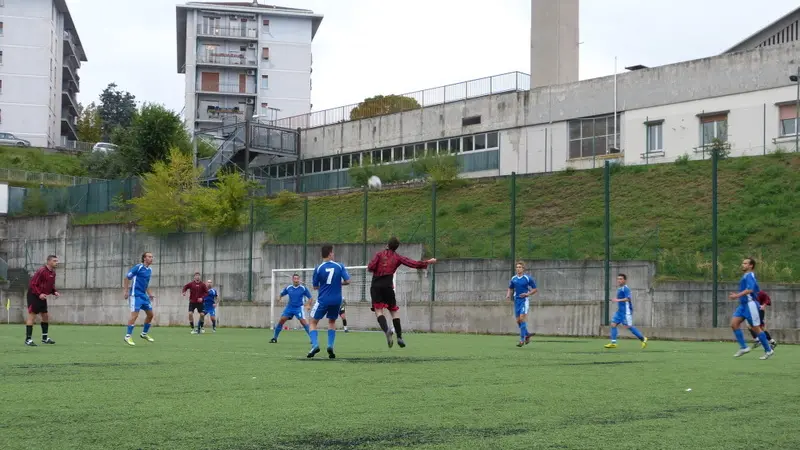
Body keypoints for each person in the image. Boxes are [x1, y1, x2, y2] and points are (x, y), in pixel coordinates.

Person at [367, 237, 436, 348]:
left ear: (387, 245)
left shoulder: (379, 255)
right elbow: (412, 263)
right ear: (396, 247)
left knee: (378, 310)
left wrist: (375, 269)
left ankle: (386, 331)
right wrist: (428, 262)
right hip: (388, 286)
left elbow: (370, 267)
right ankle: (399, 336)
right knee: (394, 311)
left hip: (376, 286)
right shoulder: (397, 257)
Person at [307, 244, 350, 359]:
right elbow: (348, 280)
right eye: (333, 252)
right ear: (330, 253)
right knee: (331, 322)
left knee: (312, 322)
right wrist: (339, 283)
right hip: (336, 300)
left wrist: (323, 285)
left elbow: (315, 287)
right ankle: (330, 346)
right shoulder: (339, 266)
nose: (334, 254)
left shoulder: (318, 268)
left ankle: (315, 345)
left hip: (323, 300)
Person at [729, 258, 773, 359]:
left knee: (756, 328)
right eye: (742, 263)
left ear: (751, 266)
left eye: (745, 263)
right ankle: (744, 347)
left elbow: (750, 289)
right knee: (734, 324)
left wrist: (736, 295)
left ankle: (769, 350)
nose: (742, 265)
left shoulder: (750, 275)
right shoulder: (745, 275)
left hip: (750, 305)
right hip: (743, 305)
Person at [604, 274, 648, 349]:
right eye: (618, 279)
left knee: (629, 327)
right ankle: (613, 343)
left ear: (625, 280)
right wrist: (615, 300)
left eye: (621, 279)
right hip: (619, 312)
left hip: (626, 312)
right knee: (613, 324)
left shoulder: (626, 289)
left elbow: (628, 299)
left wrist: (617, 300)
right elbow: (621, 299)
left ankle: (643, 339)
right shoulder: (619, 289)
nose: (619, 280)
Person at [25, 255, 60, 346]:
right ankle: (28, 340)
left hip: (42, 296)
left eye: (57, 261)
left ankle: (44, 338)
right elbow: (33, 284)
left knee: (45, 316)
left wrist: (54, 292)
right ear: (48, 262)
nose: (57, 262)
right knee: (32, 316)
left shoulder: (53, 273)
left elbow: (50, 285)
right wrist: (39, 294)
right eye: (54, 261)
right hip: (34, 295)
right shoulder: (41, 271)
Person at [123, 252, 156, 346]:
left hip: (143, 296)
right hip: (135, 295)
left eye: (152, 257)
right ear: (144, 258)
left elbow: (146, 284)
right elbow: (126, 278)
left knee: (150, 315)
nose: (151, 258)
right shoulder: (138, 267)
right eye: (149, 257)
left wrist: (149, 294)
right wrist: (125, 291)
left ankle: (144, 334)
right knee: (134, 316)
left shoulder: (149, 270)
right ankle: (128, 336)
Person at [270, 273, 313, 343]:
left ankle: (312, 339)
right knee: (281, 320)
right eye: (295, 279)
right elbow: (281, 294)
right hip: (289, 307)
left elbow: (310, 298)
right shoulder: (289, 288)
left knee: (303, 322)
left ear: (299, 280)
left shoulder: (303, 288)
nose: (296, 280)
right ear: (292, 279)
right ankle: (274, 338)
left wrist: (308, 305)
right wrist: (279, 298)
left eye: (297, 279)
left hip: (298, 308)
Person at [505, 261, 537, 347]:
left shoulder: (527, 278)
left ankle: (522, 340)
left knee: (522, 319)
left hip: (524, 300)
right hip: (517, 301)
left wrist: (527, 294)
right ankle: (527, 335)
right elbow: (510, 288)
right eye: (517, 267)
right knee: (518, 321)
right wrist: (508, 294)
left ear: (523, 269)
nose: (518, 268)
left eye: (520, 267)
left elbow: (534, 289)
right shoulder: (514, 278)